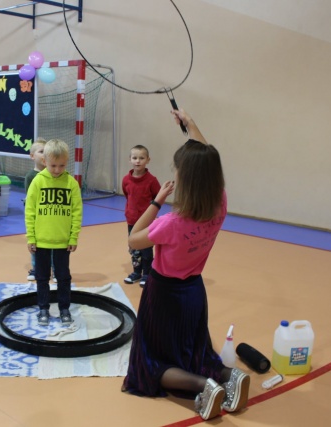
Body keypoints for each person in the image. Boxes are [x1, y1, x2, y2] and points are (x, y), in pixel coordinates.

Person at [121, 109, 250, 421]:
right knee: (196, 352)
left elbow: (134, 240)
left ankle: (204, 387)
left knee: (148, 361)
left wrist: (157, 201)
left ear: (185, 178)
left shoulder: (171, 223)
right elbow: (206, 158)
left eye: (177, 169)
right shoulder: (220, 203)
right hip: (194, 292)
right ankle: (229, 376)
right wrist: (190, 124)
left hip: (163, 294)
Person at [25, 139, 82, 326]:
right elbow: (30, 211)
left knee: (63, 277)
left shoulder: (71, 183)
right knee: (42, 277)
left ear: (67, 162)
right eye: (53, 165)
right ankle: (43, 308)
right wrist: (31, 237)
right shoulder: (37, 181)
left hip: (62, 242)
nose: (57, 170)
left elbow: (76, 212)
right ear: (44, 162)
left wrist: (73, 237)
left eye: (62, 165)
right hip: (41, 241)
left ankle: (64, 309)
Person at [122, 144, 161, 287]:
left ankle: (147, 274)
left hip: (146, 222)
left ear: (148, 160)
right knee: (134, 248)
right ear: (130, 159)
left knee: (146, 249)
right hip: (132, 221)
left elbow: (158, 197)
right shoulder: (126, 180)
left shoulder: (152, 180)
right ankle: (136, 272)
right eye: (134, 158)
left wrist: (150, 214)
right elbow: (127, 195)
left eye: (141, 158)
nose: (138, 161)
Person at [24, 137, 46, 282]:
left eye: (46, 152)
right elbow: (30, 199)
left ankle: (53, 269)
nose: (44, 155)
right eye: (41, 151)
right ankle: (36, 268)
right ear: (32, 156)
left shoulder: (52, 175)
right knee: (35, 244)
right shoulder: (31, 176)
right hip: (36, 216)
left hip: (48, 216)